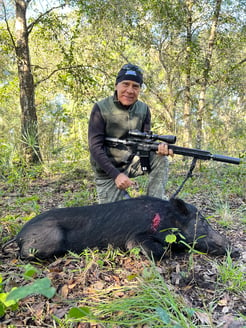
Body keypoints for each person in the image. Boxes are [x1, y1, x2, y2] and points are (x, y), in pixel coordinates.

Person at [88, 63, 173, 203]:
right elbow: (95, 148)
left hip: (131, 162)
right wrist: (116, 175)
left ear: (140, 89)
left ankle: (154, 205)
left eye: (135, 86)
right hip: (107, 172)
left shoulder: (144, 109)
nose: (130, 90)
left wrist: (159, 148)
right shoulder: (100, 108)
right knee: (115, 218)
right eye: (125, 84)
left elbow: (145, 142)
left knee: (160, 159)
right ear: (116, 85)